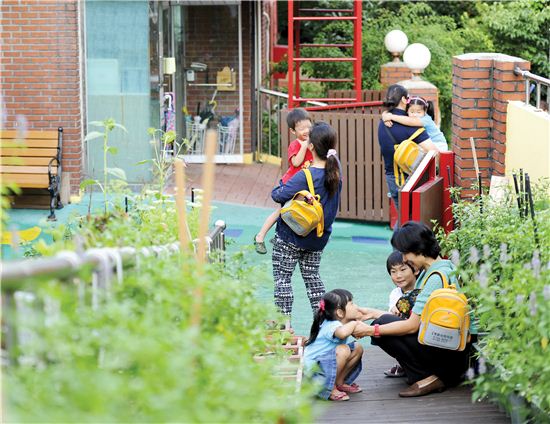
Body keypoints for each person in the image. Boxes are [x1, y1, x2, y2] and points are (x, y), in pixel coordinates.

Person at [353, 222, 476, 397]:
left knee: (382, 327)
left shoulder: (434, 278)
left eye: (405, 253)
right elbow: (412, 315)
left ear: (418, 249)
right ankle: (429, 373)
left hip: (448, 357)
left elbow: (411, 325)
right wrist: (372, 313)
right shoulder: (443, 267)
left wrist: (370, 330)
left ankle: (428, 377)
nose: (404, 258)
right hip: (453, 350)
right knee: (382, 321)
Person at [271, 121, 342, 322]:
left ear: (310, 146)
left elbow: (278, 195)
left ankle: (284, 327)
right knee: (313, 280)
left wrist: (280, 186)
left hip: (290, 237)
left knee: (283, 280)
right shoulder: (336, 171)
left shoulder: (306, 174)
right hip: (318, 238)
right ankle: (323, 325)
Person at [254, 108, 313, 254]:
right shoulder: (296, 145)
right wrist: (304, 146)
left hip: (303, 186)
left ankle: (280, 236)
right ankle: (260, 236)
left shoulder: (312, 143)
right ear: (293, 131)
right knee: (282, 211)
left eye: (308, 127)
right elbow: (296, 163)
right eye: (301, 129)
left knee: (295, 211)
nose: (306, 131)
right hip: (290, 184)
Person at [377, 85, 438, 219]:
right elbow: (434, 151)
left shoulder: (383, 122)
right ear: (404, 100)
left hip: (391, 177)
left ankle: (397, 240)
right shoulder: (410, 125)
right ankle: (398, 240)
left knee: (404, 217)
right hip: (409, 179)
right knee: (411, 220)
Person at [304, 289, 364, 401]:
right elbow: (342, 334)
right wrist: (354, 323)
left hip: (324, 367)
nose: (356, 306)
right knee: (343, 350)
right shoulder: (332, 325)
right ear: (340, 313)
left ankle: (339, 383)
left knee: (357, 347)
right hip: (314, 374)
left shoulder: (339, 323)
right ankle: (329, 389)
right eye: (352, 304)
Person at [384, 250, 421, 378]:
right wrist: (393, 311)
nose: (398, 276)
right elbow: (392, 315)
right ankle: (405, 363)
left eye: (403, 270)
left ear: (415, 270)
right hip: (405, 330)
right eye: (393, 272)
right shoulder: (395, 294)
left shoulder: (423, 288)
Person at [381, 96, 448, 152]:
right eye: (412, 111)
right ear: (407, 111)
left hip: (438, 145)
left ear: (425, 111)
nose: (415, 115)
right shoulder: (408, 117)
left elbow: (411, 122)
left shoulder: (426, 119)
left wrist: (391, 117)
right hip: (427, 145)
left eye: (418, 112)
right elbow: (395, 113)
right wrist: (385, 115)